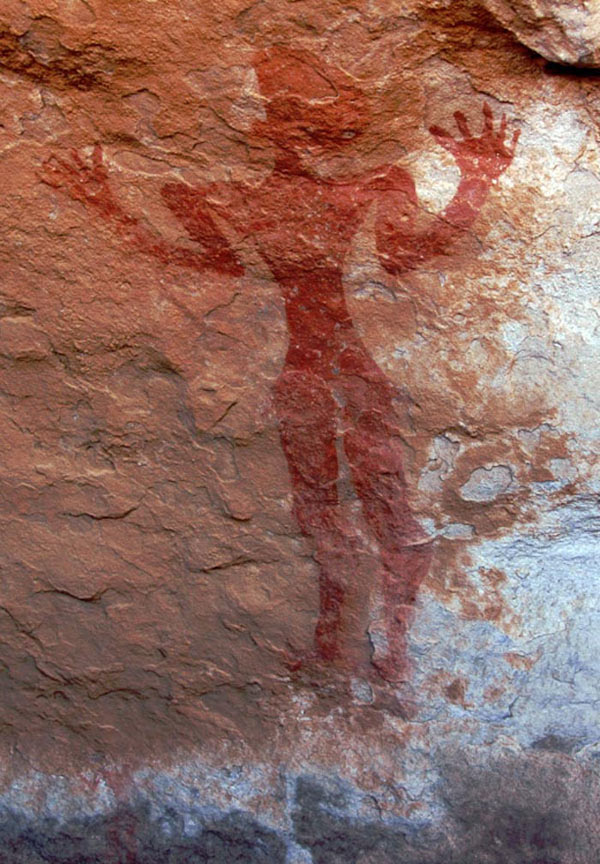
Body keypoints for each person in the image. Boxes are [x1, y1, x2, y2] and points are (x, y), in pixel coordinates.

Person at [42, 46, 519, 692]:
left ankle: (396, 651)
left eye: (303, 117)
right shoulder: (248, 196)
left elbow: (402, 256)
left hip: (338, 372)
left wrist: (476, 182)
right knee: (321, 514)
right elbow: (212, 261)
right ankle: (336, 647)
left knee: (379, 511)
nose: (297, 132)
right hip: (311, 377)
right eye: (287, 115)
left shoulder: (369, 185)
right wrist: (108, 209)